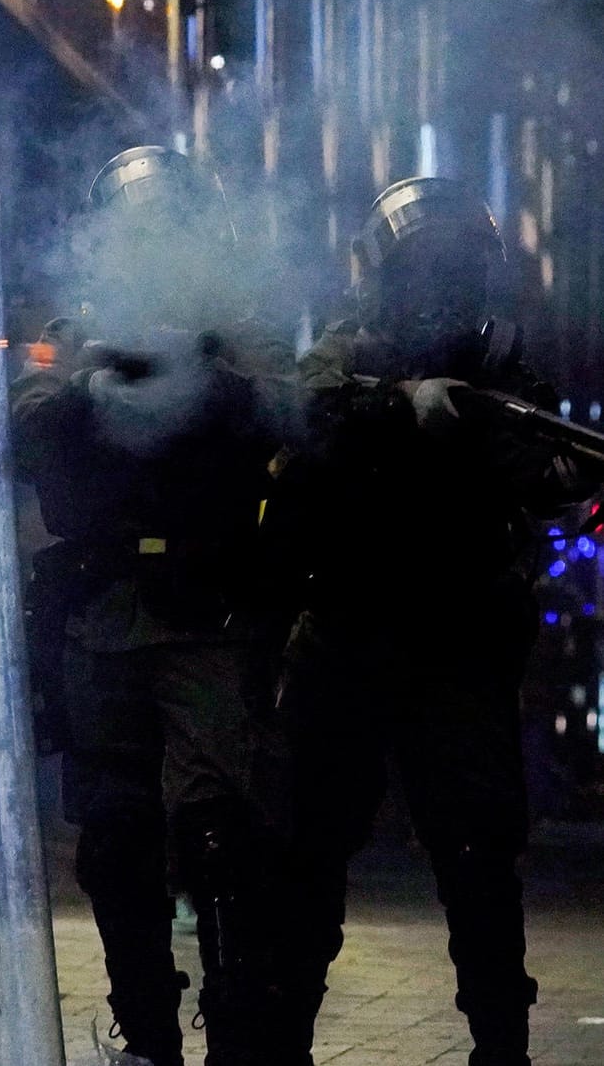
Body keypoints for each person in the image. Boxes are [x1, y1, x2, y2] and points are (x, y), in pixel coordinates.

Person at [268, 176, 599, 1066]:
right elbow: (301, 429)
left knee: (479, 861)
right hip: (347, 635)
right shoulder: (343, 358)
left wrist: (556, 479)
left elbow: (542, 475)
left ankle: (503, 1046)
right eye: (428, 272)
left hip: (455, 649)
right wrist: (397, 405)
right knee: (307, 854)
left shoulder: (503, 375)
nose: (444, 291)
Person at [10, 146, 295, 1066]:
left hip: (205, 612)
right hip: (104, 608)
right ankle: (146, 1030)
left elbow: (299, 415)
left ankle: (236, 1025)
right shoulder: (75, 327)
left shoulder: (237, 329)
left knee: (217, 829)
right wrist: (89, 385)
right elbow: (19, 425)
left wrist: (206, 373)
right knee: (116, 833)